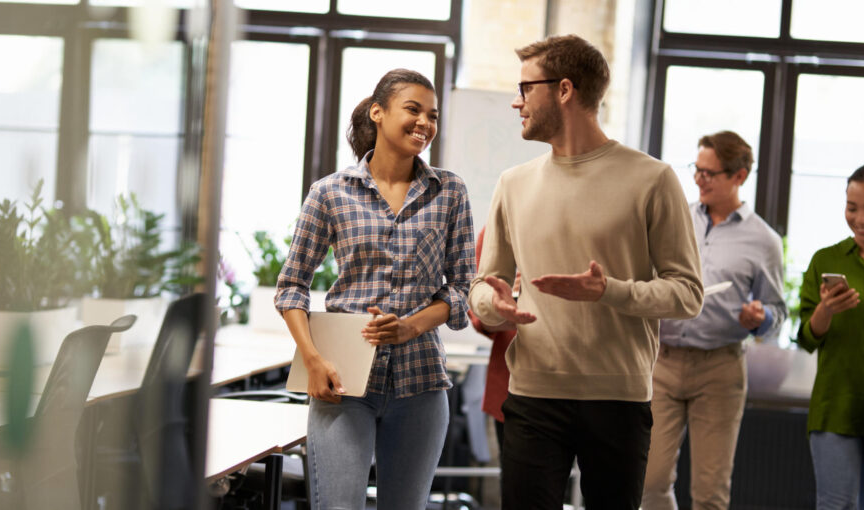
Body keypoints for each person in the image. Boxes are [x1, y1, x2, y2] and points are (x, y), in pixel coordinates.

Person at [468, 34, 704, 509]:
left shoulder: (653, 179)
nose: (517, 101)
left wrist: (608, 291)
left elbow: (687, 294)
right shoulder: (512, 185)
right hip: (533, 393)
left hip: (619, 397)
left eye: (525, 88)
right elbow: (480, 288)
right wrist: (494, 305)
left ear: (565, 90)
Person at [274, 68, 475, 510]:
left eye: (433, 115)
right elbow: (291, 287)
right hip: (342, 380)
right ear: (378, 113)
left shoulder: (450, 191)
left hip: (421, 382)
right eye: (413, 109)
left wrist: (411, 326)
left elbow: (462, 287)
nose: (425, 122)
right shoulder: (329, 193)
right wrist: (312, 360)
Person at [641, 131, 787, 510]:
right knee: (650, 481)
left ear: (739, 176)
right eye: (696, 169)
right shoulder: (675, 219)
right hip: (663, 362)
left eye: (710, 173)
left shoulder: (763, 240)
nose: (698, 179)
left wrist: (761, 317)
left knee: (710, 492)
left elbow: (777, 312)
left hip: (720, 368)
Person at [796, 162, 864, 510]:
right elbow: (806, 339)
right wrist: (826, 310)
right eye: (852, 208)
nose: (860, 219)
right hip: (836, 407)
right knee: (835, 505)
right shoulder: (825, 260)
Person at [468, 227, 518, 449]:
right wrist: (499, 304)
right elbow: (480, 320)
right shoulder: (497, 230)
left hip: (591, 387)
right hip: (511, 388)